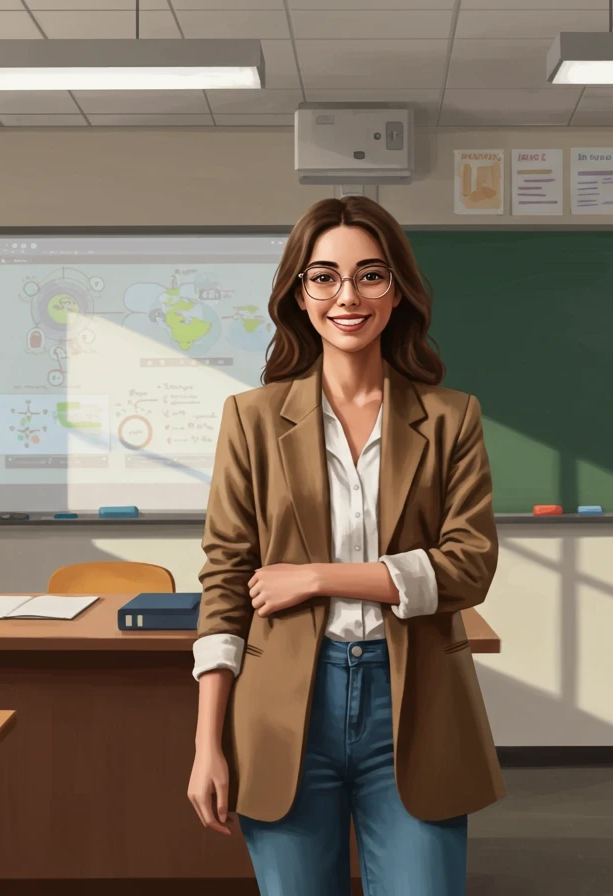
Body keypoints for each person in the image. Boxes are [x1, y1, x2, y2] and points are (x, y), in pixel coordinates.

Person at [186, 196, 504, 896]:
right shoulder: (251, 419)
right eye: (324, 276)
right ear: (299, 295)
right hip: (283, 707)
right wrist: (208, 740)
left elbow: (469, 567)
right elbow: (225, 582)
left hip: (416, 702)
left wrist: (317, 578)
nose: (347, 296)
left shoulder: (452, 418)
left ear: (399, 292)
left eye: (370, 275)